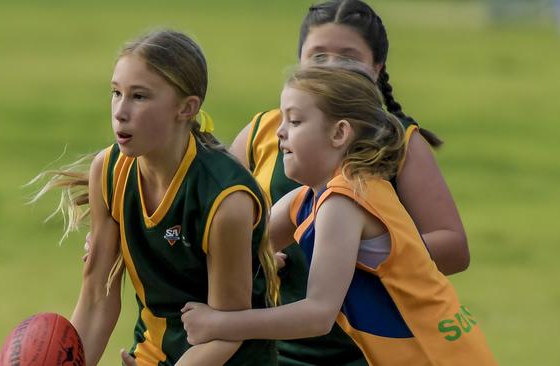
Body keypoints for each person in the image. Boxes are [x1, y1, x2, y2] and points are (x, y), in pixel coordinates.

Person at [181, 65, 497, 366]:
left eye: (294, 121)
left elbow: (318, 315)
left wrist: (221, 324)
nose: (279, 132)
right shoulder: (308, 199)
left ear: (339, 133)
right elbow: (228, 252)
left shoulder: (344, 201)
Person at [227, 1, 469, 364]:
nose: (332, 67)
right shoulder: (267, 132)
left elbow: (454, 248)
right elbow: (219, 233)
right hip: (271, 342)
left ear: (376, 68)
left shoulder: (397, 143)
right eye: (318, 56)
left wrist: (352, 250)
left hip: (369, 351)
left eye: (348, 57)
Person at [33, 29, 279, 366]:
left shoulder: (225, 199)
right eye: (115, 93)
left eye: (139, 97)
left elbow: (227, 331)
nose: (120, 111)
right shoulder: (108, 171)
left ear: (186, 108)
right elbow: (96, 301)